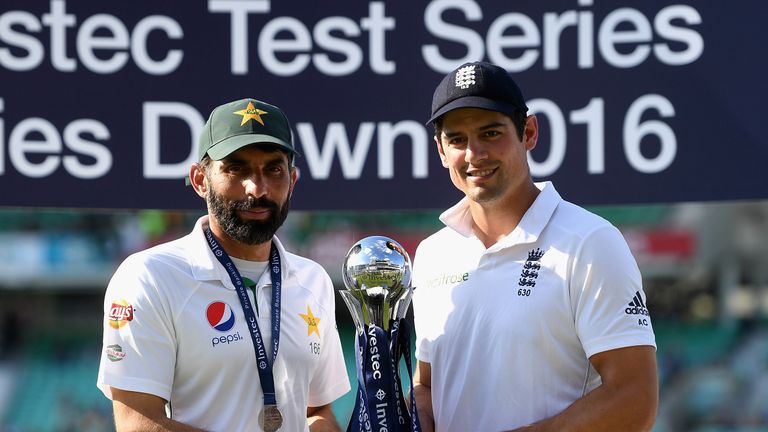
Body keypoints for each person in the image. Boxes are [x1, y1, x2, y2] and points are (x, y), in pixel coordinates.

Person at [410, 62, 658, 431]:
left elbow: (635, 397)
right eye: (457, 140)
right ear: (441, 151)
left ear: (528, 132)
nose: (474, 153)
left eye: (491, 133)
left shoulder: (591, 241)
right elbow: (428, 385)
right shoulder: (431, 254)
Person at [97, 98, 351, 431]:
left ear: (293, 180)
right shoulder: (149, 276)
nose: (256, 188)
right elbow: (138, 424)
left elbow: (317, 412)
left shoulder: (312, 279)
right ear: (200, 179)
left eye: (273, 169)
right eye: (236, 168)